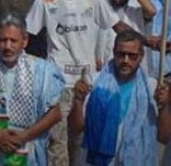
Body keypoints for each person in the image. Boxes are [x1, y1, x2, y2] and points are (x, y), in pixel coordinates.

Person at [25, 0, 148, 165]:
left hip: (87, 83)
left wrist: (147, 42)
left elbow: (117, 25)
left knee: (82, 141)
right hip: (58, 82)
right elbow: (27, 35)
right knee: (57, 142)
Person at [0, 14, 65, 166]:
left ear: (25, 41)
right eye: (3, 40)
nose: (7, 46)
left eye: (13, 41)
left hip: (28, 153)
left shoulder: (43, 71)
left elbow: (55, 113)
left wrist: (23, 137)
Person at [69, 30, 171, 165]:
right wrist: (78, 100)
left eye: (132, 56)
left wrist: (164, 107)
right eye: (121, 54)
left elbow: (164, 137)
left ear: (141, 56)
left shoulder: (152, 89)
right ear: (114, 52)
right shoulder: (93, 84)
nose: (125, 60)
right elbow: (75, 129)